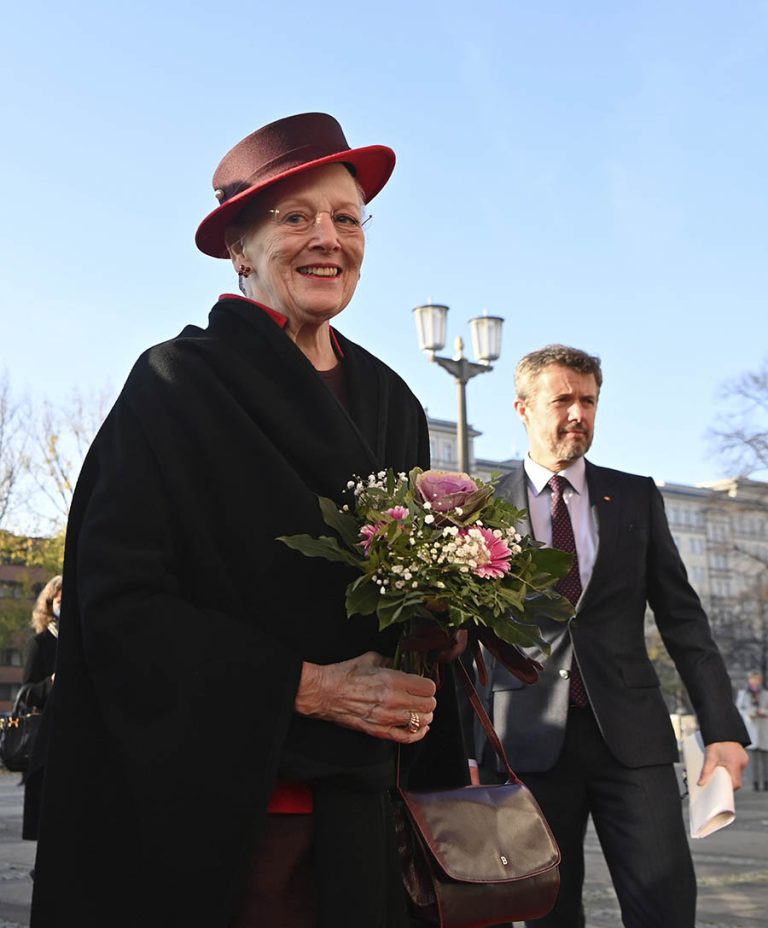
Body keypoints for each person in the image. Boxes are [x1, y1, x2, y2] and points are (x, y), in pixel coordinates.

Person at [30, 113, 469, 928]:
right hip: (230, 817)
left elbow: (395, 602)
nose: (327, 237)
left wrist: (450, 618)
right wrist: (305, 689)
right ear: (239, 250)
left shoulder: (394, 401)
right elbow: (117, 602)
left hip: (370, 813)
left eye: (346, 217)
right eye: (295, 217)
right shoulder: (175, 385)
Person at [472, 344, 749, 928]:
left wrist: (723, 729)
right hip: (526, 744)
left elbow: (684, 621)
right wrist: (465, 749)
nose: (579, 413)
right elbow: (463, 638)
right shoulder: (480, 507)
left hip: (633, 741)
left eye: (590, 400)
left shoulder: (635, 496)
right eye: (563, 400)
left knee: (666, 908)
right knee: (547, 912)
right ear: (522, 408)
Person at [21, 575, 61, 843]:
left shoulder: (82, 640)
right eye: (60, 600)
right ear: (50, 604)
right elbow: (26, 693)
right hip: (48, 741)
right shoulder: (40, 643)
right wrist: (51, 683)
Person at [736, 670, 768, 790]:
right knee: (752, 759)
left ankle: (766, 781)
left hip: (764, 727)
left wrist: (763, 712)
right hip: (751, 727)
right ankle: (755, 782)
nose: (755, 682)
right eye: (753, 679)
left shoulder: (765, 694)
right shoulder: (743, 694)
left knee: (765, 759)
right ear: (749, 680)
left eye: (757, 679)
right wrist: (749, 714)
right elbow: (739, 709)